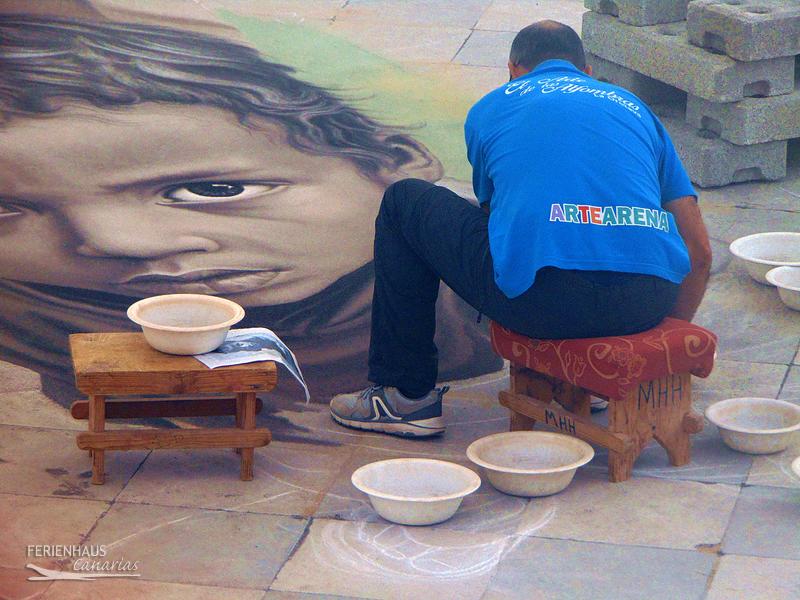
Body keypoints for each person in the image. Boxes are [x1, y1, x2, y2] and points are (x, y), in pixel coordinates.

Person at [0, 15, 502, 412]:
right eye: (10, 209)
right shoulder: (30, 325)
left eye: (214, 188)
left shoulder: (488, 283)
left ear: (393, 160)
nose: (117, 242)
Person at [330, 20, 712, 438]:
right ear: (586, 73)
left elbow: (501, 227)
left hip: (545, 303)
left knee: (405, 202)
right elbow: (700, 252)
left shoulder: (492, 107)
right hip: (647, 301)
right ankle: (591, 379)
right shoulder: (635, 109)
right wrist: (656, 346)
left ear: (513, 69)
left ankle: (405, 397)